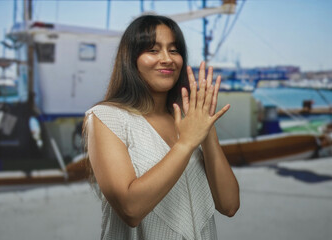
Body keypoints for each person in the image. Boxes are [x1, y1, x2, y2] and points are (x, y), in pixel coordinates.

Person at [83, 15, 239, 239]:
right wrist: (185, 143)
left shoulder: (189, 120)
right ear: (131, 59)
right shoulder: (106, 118)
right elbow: (131, 210)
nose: (167, 59)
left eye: (174, 50)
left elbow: (229, 205)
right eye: (153, 50)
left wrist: (207, 130)